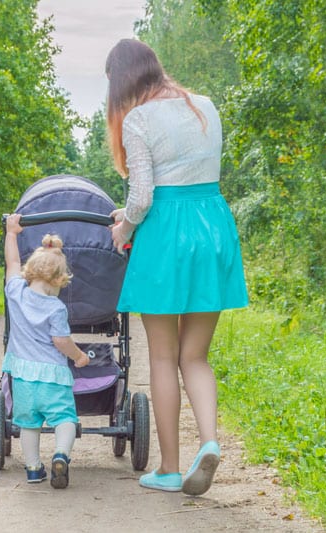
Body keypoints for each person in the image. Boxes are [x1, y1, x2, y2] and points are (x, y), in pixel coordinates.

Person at [105, 39, 248, 496]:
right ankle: (208, 441)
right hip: (212, 229)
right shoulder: (205, 106)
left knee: (164, 357)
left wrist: (123, 228)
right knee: (196, 356)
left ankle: (168, 468)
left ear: (122, 81)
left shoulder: (138, 119)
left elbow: (143, 197)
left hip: (167, 234)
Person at [2, 213, 90, 489]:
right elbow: (61, 341)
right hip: (53, 376)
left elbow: (11, 262)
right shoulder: (56, 308)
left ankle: (32, 468)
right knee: (65, 419)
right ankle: (61, 454)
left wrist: (12, 233)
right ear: (58, 280)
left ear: (30, 270)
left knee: (29, 424)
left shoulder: (15, 292)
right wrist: (79, 356)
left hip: (24, 376)